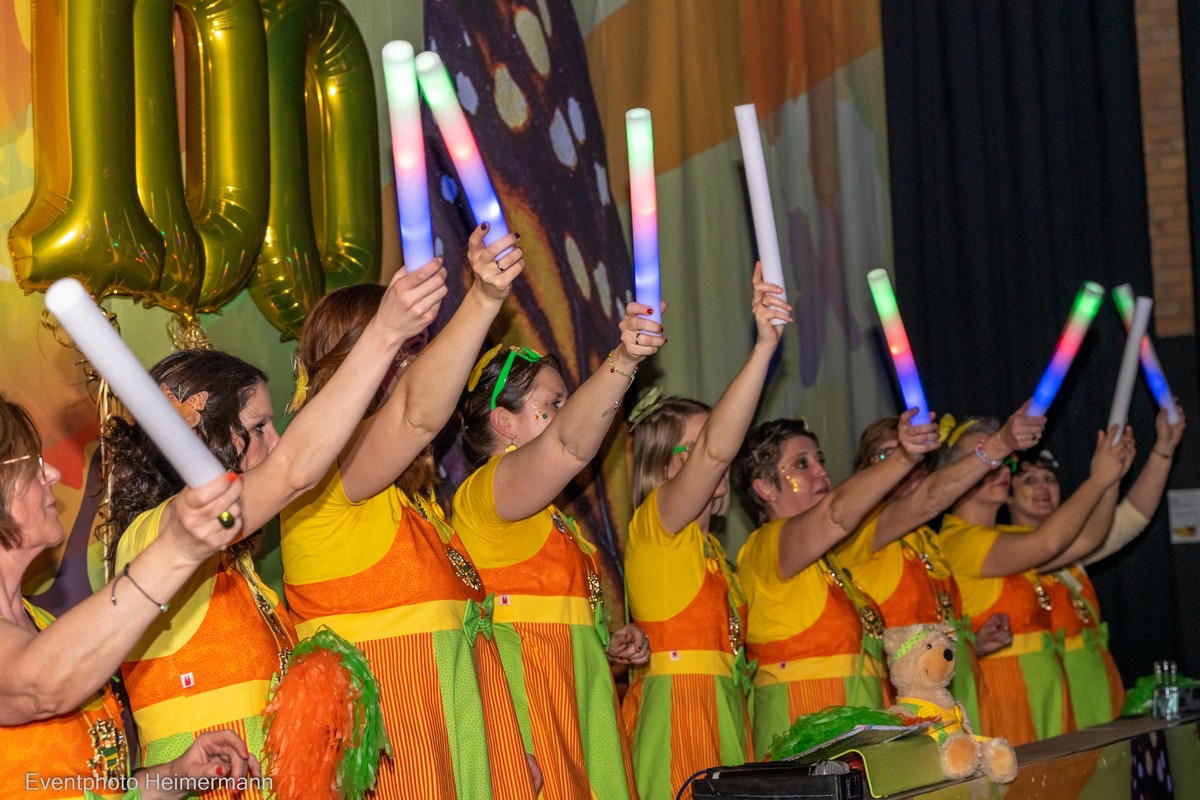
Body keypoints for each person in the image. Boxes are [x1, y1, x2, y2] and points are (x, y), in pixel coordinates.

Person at [101, 260, 447, 796]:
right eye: (259, 427)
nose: (276, 442)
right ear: (206, 439)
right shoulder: (153, 535)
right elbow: (292, 471)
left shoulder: (238, 568)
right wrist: (384, 332)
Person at [281, 225, 542, 798]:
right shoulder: (325, 476)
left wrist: (504, 748)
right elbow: (415, 414)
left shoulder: (416, 506)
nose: (427, 371)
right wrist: (484, 298)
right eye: (406, 356)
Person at [452, 302, 664, 799]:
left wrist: (603, 645)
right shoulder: (486, 491)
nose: (569, 414)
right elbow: (569, 446)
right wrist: (624, 360)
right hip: (532, 707)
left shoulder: (553, 517)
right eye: (555, 402)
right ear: (504, 422)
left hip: (578, 704)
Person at [0, 394, 259, 799]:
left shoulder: (42, 626)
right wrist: (176, 548)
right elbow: (40, 686)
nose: (51, 472)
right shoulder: (41, 661)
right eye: (30, 464)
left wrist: (175, 776)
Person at [622, 264, 790, 799]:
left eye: (710, 448)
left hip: (726, 727)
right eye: (690, 451)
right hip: (677, 731)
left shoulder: (713, 552)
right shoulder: (657, 523)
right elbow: (718, 449)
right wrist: (764, 348)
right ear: (658, 465)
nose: (714, 460)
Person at [731, 410, 940, 755]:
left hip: (857, 743)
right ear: (764, 488)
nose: (821, 471)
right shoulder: (765, 546)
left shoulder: (832, 565)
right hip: (804, 745)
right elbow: (834, 515)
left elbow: (925, 503)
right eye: (802, 464)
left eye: (820, 460)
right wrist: (905, 456)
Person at [837, 404, 1045, 731]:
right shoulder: (864, 530)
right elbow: (928, 499)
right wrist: (1001, 443)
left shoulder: (928, 540)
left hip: (957, 693)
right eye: (887, 456)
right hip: (906, 708)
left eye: (914, 457)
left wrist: (973, 642)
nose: (904, 467)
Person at [936, 416, 1132, 744]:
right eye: (984, 457)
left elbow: (1087, 540)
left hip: (1043, 692)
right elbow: (1049, 543)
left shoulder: (1004, 537)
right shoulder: (960, 540)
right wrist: (1097, 481)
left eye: (1003, 460)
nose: (999, 468)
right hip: (1005, 693)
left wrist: (1111, 480)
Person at [1007, 403, 1184, 728]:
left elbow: (1132, 518)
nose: (1043, 486)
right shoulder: (1004, 550)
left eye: (1049, 478)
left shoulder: (1073, 550)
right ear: (1006, 495)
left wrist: (1163, 449)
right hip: (1046, 711)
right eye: (1030, 479)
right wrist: (1103, 480)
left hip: (1097, 700)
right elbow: (1048, 546)